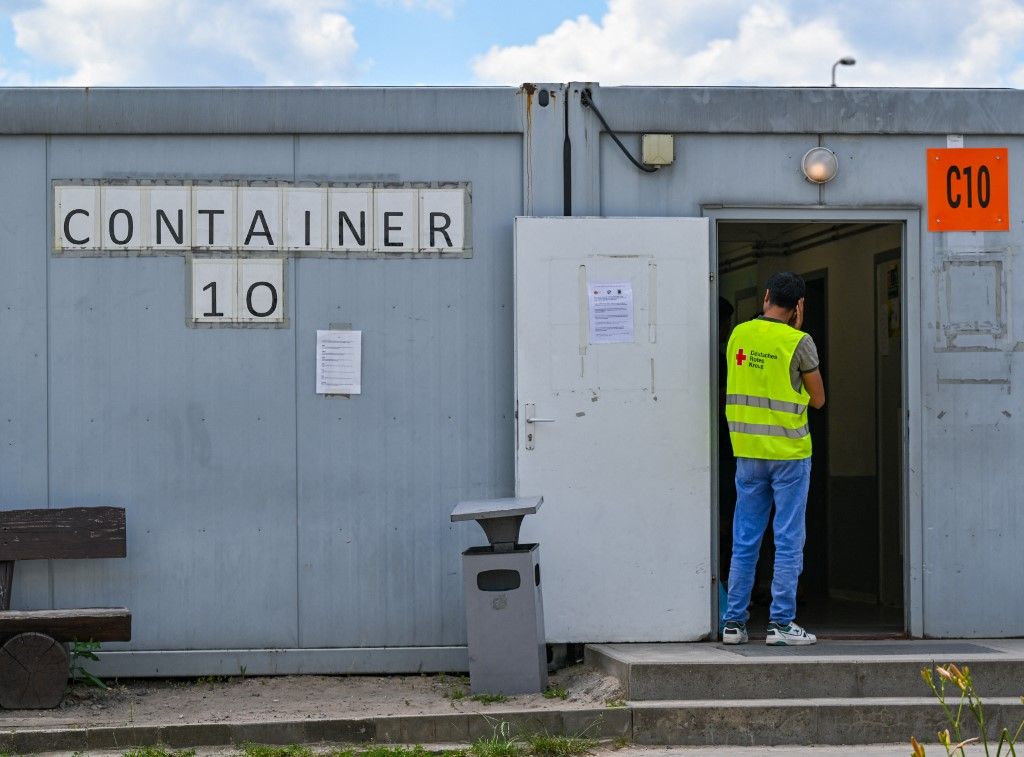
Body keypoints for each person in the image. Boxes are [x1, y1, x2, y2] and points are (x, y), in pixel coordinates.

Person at [722, 271, 825, 646]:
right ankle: (781, 623)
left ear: (765, 296)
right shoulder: (800, 341)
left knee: (745, 538)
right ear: (799, 306)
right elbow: (818, 399)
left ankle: (734, 623)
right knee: (787, 539)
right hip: (789, 454)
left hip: (748, 453)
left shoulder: (739, 334)